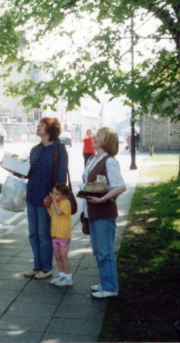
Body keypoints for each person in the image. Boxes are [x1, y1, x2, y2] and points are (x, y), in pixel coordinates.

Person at [83, 127, 127, 298]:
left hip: (103, 212)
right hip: (92, 212)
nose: (94, 137)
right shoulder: (93, 158)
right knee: (98, 251)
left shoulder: (110, 161)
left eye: (99, 135)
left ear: (107, 141)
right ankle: (105, 282)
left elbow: (120, 186)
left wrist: (102, 199)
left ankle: (110, 288)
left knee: (105, 251)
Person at [24, 117, 67, 279]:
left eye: (41, 124)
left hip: (46, 200)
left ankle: (47, 268)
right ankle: (37, 266)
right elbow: (30, 173)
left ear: (50, 129)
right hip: (32, 196)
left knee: (43, 234)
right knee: (33, 234)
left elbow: (61, 178)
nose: (38, 126)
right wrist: (13, 166)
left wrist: (54, 199)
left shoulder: (59, 149)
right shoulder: (35, 149)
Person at [44, 183, 73, 286]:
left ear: (64, 196)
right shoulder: (55, 203)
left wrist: (54, 201)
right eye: (53, 193)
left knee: (63, 256)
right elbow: (53, 215)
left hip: (63, 235)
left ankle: (68, 277)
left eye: (57, 194)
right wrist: (48, 206)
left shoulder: (65, 203)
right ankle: (61, 274)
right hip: (55, 234)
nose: (53, 196)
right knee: (57, 256)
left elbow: (59, 212)